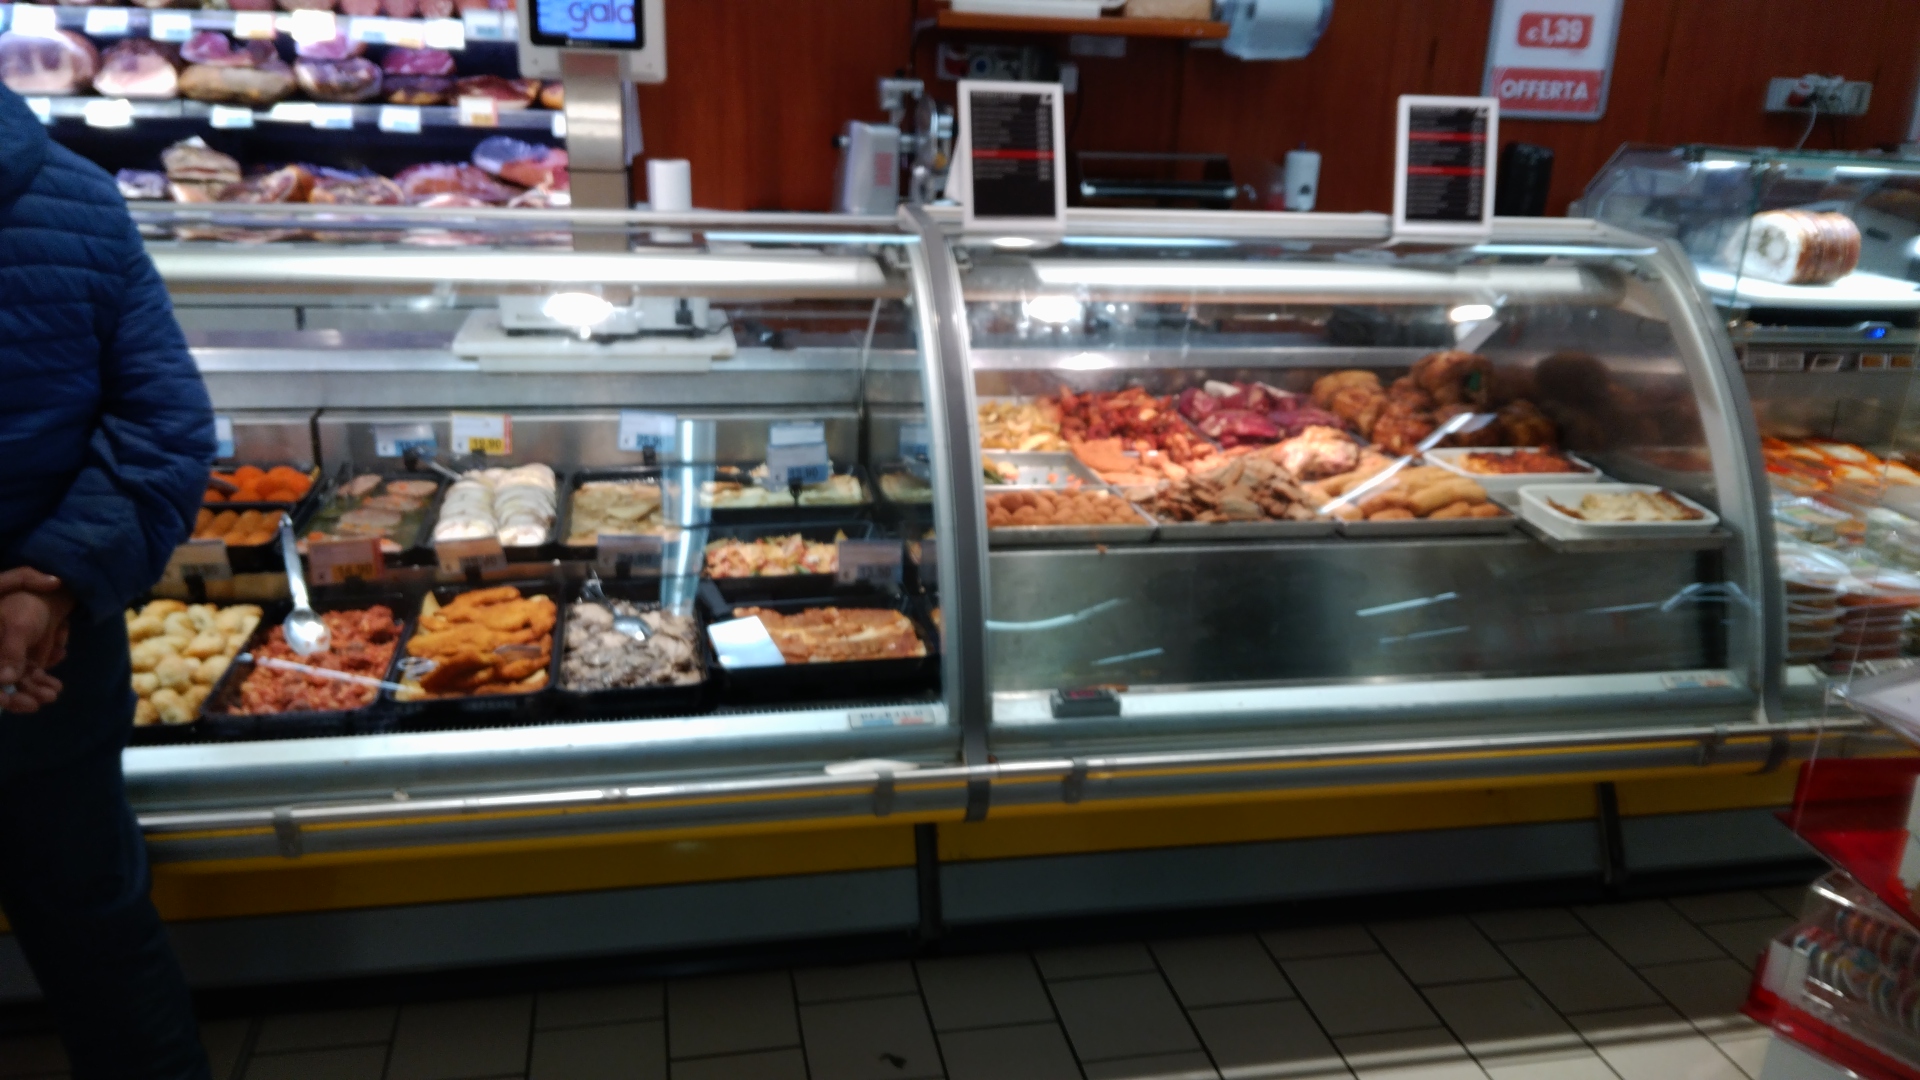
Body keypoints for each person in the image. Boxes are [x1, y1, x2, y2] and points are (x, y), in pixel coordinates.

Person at [0, 83, 217, 1079]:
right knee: (98, 930)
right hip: (51, 644)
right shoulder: (78, 192)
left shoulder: (73, 193)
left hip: (47, 637)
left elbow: (161, 422)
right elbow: (160, 426)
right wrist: (49, 584)